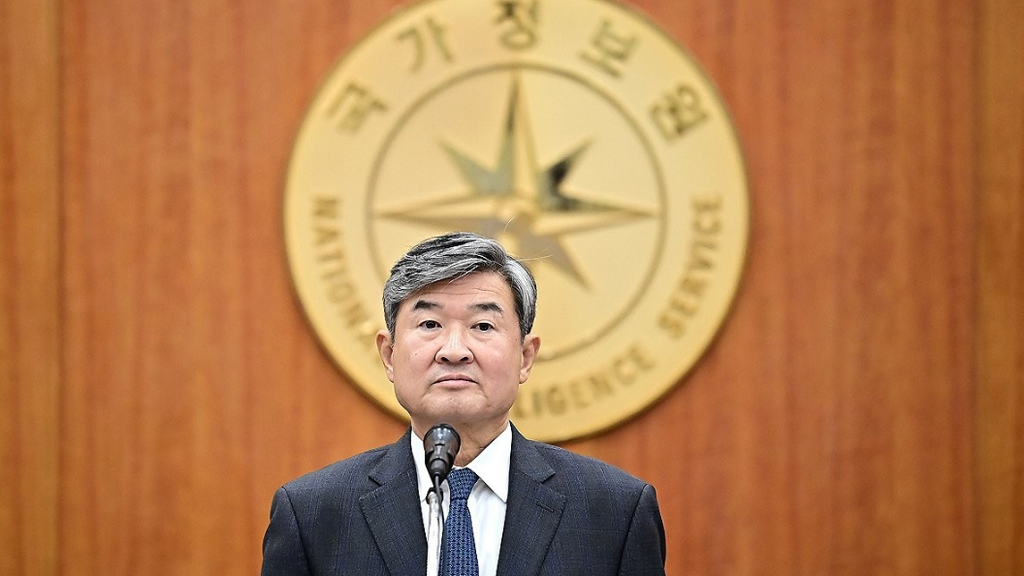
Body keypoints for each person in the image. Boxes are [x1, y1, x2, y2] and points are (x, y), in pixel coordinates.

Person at [261, 231, 666, 576]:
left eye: (482, 325)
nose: (454, 350)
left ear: (525, 357)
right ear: (389, 355)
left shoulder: (614, 511)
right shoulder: (314, 514)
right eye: (430, 324)